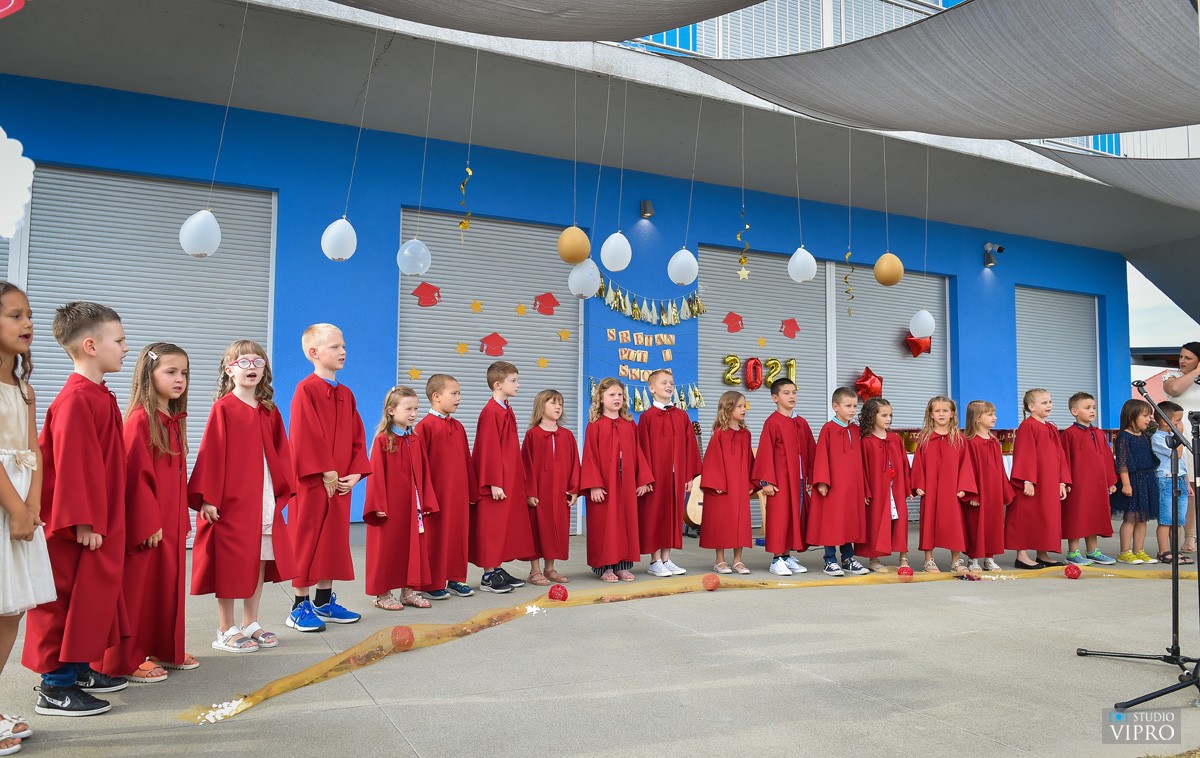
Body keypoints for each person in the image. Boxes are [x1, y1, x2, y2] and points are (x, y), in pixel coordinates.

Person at [23, 302, 130, 716]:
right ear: (90, 345)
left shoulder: (97, 396)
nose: (124, 348)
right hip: (76, 527)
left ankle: (79, 668)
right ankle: (56, 686)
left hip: (96, 521)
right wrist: (84, 519)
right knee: (66, 602)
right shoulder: (76, 400)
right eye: (118, 341)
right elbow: (71, 462)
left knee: (92, 600)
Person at [189, 340, 296, 653]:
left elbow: (282, 453)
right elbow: (210, 453)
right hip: (231, 499)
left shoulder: (268, 410)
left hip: (263, 496)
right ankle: (225, 628)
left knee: (260, 558)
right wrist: (207, 498)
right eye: (243, 362)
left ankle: (251, 622)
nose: (251, 367)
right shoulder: (224, 408)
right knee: (230, 561)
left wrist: (280, 492)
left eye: (258, 362)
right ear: (229, 369)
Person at [97, 345, 191, 686]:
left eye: (183, 373)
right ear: (148, 375)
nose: (179, 379)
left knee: (165, 587)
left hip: (170, 519)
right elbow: (135, 476)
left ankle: (162, 648)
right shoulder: (140, 419)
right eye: (170, 372)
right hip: (149, 523)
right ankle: (128, 658)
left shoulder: (172, 419)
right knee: (138, 590)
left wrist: (182, 517)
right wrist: (149, 521)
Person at [286, 324, 371, 633]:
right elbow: (303, 434)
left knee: (333, 541)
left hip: (339, 485)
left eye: (343, 345)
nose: (343, 351)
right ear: (314, 353)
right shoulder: (306, 389)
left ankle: (323, 601)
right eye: (335, 346)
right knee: (306, 539)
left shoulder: (346, 394)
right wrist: (325, 469)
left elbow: (357, 438)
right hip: (312, 483)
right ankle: (299, 605)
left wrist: (356, 473)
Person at [0, 283, 52, 740]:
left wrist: (34, 503)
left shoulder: (25, 388)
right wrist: (15, 506)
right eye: (15, 315)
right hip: (2, 501)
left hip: (21, 501)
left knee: (10, 610)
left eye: (29, 315)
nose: (27, 324)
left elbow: (32, 449)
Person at [364, 386, 438, 610]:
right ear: (391, 411)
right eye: (408, 408)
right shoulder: (383, 441)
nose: (414, 413)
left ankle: (409, 590)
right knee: (387, 549)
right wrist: (377, 504)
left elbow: (424, 472)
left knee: (413, 547)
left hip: (412, 504)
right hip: (390, 504)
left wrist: (426, 501)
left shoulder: (415, 439)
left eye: (416, 408)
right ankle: (382, 594)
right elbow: (375, 475)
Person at [580, 378, 653, 582]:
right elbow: (589, 456)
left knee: (626, 522)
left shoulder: (629, 424)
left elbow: (638, 453)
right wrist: (593, 484)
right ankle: (604, 567)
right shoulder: (595, 426)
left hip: (626, 481)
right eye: (612, 395)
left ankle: (622, 565)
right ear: (601, 399)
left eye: (620, 394)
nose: (617, 398)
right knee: (605, 524)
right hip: (604, 483)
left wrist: (643, 480)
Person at [471, 361, 533, 593]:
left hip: (508, 479)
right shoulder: (490, 412)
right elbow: (488, 448)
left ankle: (496, 568)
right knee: (492, 527)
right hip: (495, 482)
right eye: (513, 381)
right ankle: (488, 575)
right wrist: (494, 481)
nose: (518, 384)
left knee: (504, 526)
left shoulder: (505, 409)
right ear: (498, 384)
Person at [415, 374, 477, 600]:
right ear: (436, 396)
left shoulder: (458, 427)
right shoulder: (424, 427)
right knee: (437, 537)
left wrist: (472, 490)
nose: (459, 398)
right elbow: (420, 465)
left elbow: (466, 459)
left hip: (458, 494)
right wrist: (425, 496)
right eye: (454, 393)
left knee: (457, 536)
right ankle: (432, 583)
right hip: (437, 494)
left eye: (459, 393)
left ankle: (455, 578)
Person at [637, 369, 701, 577]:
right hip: (655, 477)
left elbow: (690, 446)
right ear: (652, 388)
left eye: (672, 383)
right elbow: (641, 450)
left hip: (676, 476)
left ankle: (667, 558)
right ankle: (655, 560)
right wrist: (644, 477)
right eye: (664, 382)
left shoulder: (682, 416)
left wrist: (689, 476)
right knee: (655, 516)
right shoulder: (646, 418)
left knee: (673, 516)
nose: (669, 386)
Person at [751, 378, 815, 576]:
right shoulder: (772, 422)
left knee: (795, 516)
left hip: (799, 479)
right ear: (775, 398)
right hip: (779, 481)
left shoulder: (801, 422)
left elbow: (811, 450)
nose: (792, 396)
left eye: (794, 392)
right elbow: (765, 452)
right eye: (786, 393)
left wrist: (812, 477)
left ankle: (787, 556)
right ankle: (776, 559)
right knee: (780, 518)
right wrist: (766, 481)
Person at [1007, 389, 1071, 569]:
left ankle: (1042, 553)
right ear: (1031, 407)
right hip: (1034, 482)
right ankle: (1022, 555)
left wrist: (1061, 481)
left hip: (1049, 481)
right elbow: (1025, 453)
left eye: (1050, 402)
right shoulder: (1028, 426)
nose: (1049, 405)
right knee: (1026, 516)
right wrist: (1027, 479)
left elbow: (1060, 455)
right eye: (1044, 403)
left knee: (1046, 517)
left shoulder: (1050, 427)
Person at [808, 387, 870, 577]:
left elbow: (862, 461)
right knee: (832, 522)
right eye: (848, 405)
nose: (852, 410)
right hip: (833, 485)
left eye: (854, 406)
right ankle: (830, 560)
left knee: (849, 521)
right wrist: (822, 481)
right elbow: (821, 456)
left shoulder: (856, 430)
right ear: (835, 406)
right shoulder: (828, 429)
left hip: (853, 487)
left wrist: (865, 488)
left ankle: (848, 559)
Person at [911, 396, 976, 573]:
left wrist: (964, 486)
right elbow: (918, 463)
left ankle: (956, 560)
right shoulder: (924, 438)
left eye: (945, 410)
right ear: (931, 414)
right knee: (928, 521)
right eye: (937, 411)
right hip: (930, 488)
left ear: (952, 414)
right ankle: (928, 560)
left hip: (952, 488)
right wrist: (918, 483)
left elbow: (966, 464)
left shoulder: (960, 439)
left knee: (954, 522)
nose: (941, 414)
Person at [521, 389, 579, 585]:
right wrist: (530, 492)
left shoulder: (567, 436)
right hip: (540, 493)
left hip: (560, 493)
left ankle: (550, 568)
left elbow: (574, 464)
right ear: (541, 406)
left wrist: (574, 490)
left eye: (560, 404)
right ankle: (534, 570)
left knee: (556, 530)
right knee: (537, 530)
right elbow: (526, 466)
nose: (558, 407)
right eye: (553, 403)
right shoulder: (532, 436)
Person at [699, 390, 757, 574]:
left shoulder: (746, 434)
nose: (743, 409)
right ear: (728, 408)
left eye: (744, 406)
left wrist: (750, 484)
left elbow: (750, 461)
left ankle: (738, 560)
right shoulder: (719, 434)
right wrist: (716, 484)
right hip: (723, 488)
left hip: (740, 486)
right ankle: (720, 560)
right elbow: (712, 460)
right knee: (722, 523)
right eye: (739, 406)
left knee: (740, 523)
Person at [1059, 392, 1118, 566]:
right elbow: (1063, 459)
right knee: (1077, 516)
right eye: (1087, 408)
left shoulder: (1099, 433)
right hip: (1077, 484)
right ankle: (1072, 552)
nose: (1092, 411)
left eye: (1093, 407)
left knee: (1094, 515)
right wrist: (1065, 481)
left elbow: (1106, 457)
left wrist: (1110, 480)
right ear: (1074, 411)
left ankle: (1092, 551)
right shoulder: (1068, 434)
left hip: (1097, 484)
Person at [856, 397, 911, 574]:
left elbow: (903, 464)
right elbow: (862, 469)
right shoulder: (865, 441)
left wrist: (908, 487)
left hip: (896, 487)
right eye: (884, 415)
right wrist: (865, 490)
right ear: (872, 416)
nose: (888, 419)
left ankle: (903, 558)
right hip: (877, 489)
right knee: (876, 522)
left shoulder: (895, 439)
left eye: (890, 415)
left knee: (901, 521)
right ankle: (874, 559)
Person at [962, 400, 1013, 572]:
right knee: (975, 524)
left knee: (993, 523)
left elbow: (1000, 469)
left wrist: (1004, 490)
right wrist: (972, 494)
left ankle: (989, 558)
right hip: (978, 491)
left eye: (994, 414)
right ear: (977, 418)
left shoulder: (993, 441)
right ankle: (973, 558)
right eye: (990, 414)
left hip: (994, 491)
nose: (995, 418)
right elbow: (967, 470)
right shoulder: (970, 442)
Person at [1161, 341, 1200, 553]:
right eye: (1182, 356)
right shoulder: (1171, 376)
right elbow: (1174, 390)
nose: (1183, 361)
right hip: (1181, 437)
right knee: (1190, 489)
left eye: (1189, 358)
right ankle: (1190, 536)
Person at [1111, 398, 1159, 564]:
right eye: (1145, 415)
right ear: (1132, 416)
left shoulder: (1144, 436)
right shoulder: (1124, 436)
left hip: (1147, 479)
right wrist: (1126, 484)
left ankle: (1139, 550)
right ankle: (1125, 551)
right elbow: (1122, 463)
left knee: (1142, 517)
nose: (1148, 419)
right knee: (1131, 517)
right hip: (1132, 480)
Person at [1152, 400, 1193, 565]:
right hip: (1166, 480)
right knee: (1167, 518)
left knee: (1178, 519)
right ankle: (1163, 551)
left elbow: (1181, 464)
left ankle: (1175, 551)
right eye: (1177, 420)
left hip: (1180, 479)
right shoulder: (1158, 438)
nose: (1180, 424)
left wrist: (1187, 483)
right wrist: (1180, 436)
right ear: (1164, 421)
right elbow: (1177, 455)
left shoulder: (1171, 436)